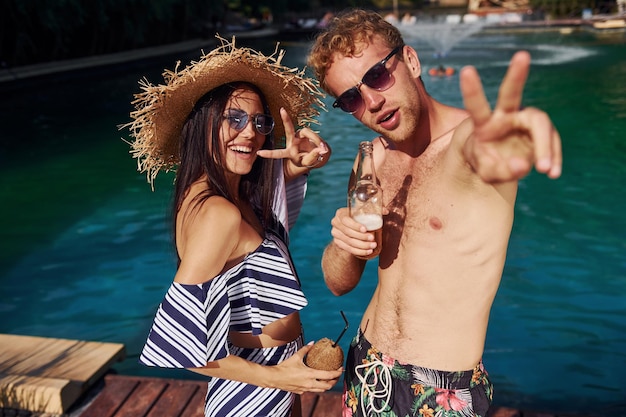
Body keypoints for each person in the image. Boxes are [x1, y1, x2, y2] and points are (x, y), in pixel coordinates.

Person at [307, 8, 562, 417]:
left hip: (440, 391)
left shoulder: (467, 144)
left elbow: (486, 145)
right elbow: (338, 285)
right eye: (352, 97)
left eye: (376, 75)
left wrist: (517, 134)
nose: (371, 101)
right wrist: (345, 245)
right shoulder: (370, 160)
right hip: (366, 368)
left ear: (410, 61)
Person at [124, 36, 342, 417]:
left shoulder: (217, 193)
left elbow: (263, 223)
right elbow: (175, 344)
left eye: (259, 122)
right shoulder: (219, 214)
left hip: (264, 377)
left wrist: (302, 162)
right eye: (234, 119)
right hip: (255, 387)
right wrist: (278, 378)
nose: (250, 133)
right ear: (204, 121)